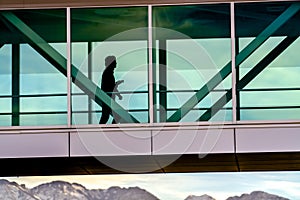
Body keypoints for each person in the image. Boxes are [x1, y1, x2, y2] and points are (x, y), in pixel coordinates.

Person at [99, 55, 124, 124]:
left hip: (107, 98)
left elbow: (110, 86)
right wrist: (118, 94)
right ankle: (110, 130)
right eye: (115, 62)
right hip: (108, 98)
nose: (116, 63)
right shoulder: (108, 73)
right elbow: (111, 87)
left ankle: (105, 130)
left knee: (106, 116)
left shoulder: (107, 72)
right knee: (111, 115)